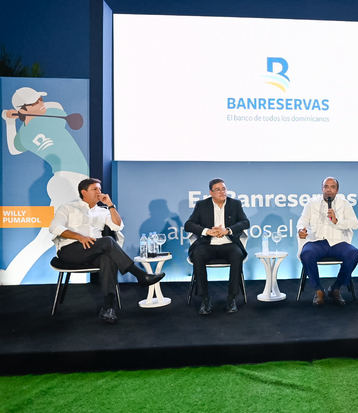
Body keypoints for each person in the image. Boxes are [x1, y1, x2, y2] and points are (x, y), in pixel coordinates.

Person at [2, 87, 89, 285]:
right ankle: (78, 276)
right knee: (76, 230)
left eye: (41, 99)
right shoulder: (48, 118)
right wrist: (16, 117)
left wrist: (10, 120)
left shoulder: (32, 129)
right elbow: (14, 150)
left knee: (46, 237)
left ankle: (11, 274)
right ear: (24, 108)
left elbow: (14, 148)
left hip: (66, 181)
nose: (42, 103)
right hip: (69, 181)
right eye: (36, 101)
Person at [49, 178, 165, 324]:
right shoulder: (67, 207)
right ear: (84, 192)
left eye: (100, 188)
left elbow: (118, 226)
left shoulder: (102, 211)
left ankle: (108, 308)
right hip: (70, 250)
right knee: (109, 241)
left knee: (108, 258)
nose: (99, 192)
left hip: (94, 251)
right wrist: (79, 237)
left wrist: (110, 205)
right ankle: (140, 275)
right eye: (95, 189)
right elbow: (55, 227)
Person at [184, 178, 250, 315]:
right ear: (211, 192)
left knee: (237, 254)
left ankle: (231, 298)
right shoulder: (202, 205)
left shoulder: (235, 204)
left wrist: (228, 230)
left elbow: (245, 222)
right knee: (198, 254)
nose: (222, 192)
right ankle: (205, 299)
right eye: (218, 189)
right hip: (208, 244)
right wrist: (207, 231)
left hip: (229, 244)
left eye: (224, 189)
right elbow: (188, 225)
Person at [297, 177, 358, 306]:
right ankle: (318, 290)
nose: (329, 190)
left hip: (337, 242)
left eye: (332, 187)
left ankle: (335, 288)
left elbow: (354, 224)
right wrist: (300, 230)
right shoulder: (311, 203)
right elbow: (302, 222)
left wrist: (337, 221)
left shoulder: (344, 204)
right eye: (326, 187)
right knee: (306, 254)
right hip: (316, 241)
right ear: (322, 189)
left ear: (337, 190)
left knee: (354, 253)